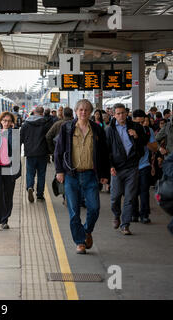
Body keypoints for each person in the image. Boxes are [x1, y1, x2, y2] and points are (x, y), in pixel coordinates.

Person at [54, 99, 110, 254]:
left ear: (90, 112)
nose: (83, 112)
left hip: (91, 175)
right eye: (80, 110)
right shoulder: (67, 128)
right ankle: (80, 242)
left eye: (86, 110)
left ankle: (87, 231)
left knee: (94, 208)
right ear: (76, 111)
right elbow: (58, 151)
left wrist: (104, 175)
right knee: (74, 211)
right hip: (71, 175)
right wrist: (59, 171)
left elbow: (104, 154)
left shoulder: (97, 130)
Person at [106, 103, 148, 235]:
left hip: (132, 167)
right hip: (117, 168)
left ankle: (125, 224)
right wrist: (110, 166)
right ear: (113, 114)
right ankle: (116, 215)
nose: (121, 116)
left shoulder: (136, 127)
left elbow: (144, 144)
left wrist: (137, 136)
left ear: (126, 113)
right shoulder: (109, 130)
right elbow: (106, 150)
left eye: (123, 113)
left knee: (130, 197)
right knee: (115, 196)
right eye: (118, 113)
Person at [0, 111, 21, 231]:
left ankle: (4, 220)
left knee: (8, 194)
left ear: (12, 123)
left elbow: (15, 149)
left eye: (9, 121)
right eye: (4, 120)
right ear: (0, 121)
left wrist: (9, 133)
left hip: (10, 168)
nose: (6, 123)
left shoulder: (15, 134)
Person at [20, 106, 54, 202]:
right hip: (42, 153)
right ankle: (39, 195)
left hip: (30, 153)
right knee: (41, 174)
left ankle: (30, 187)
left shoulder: (26, 124)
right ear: (42, 113)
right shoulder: (46, 124)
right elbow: (49, 137)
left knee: (30, 173)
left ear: (34, 112)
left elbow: (21, 138)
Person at [132, 109, 157, 223]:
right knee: (133, 191)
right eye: (138, 123)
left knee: (144, 191)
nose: (141, 125)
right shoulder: (129, 130)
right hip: (131, 166)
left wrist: (144, 140)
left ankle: (144, 214)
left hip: (144, 165)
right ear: (133, 120)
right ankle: (134, 213)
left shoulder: (149, 131)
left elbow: (154, 148)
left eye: (143, 122)